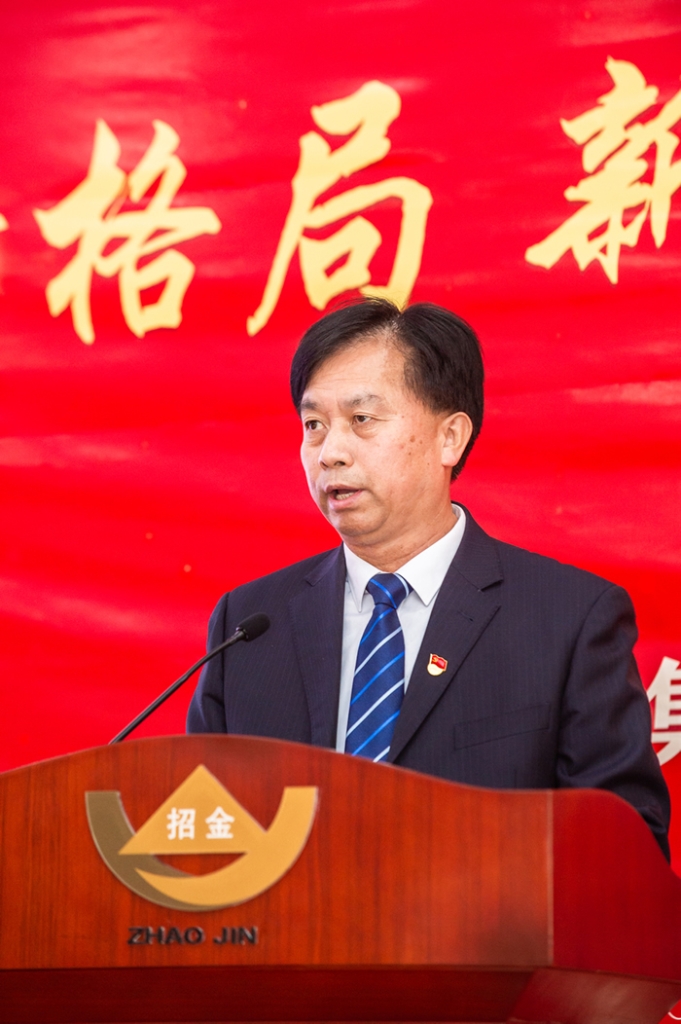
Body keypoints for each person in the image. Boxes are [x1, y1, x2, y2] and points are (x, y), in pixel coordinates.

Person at [187, 299, 670, 858]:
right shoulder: (249, 626)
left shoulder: (568, 620)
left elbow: (625, 849)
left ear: (450, 438)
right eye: (314, 425)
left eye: (362, 420)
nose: (330, 453)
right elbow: (201, 831)